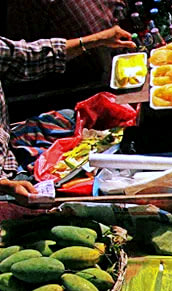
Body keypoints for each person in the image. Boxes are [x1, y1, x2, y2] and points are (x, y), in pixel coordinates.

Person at [0, 27, 135, 202]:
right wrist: (7, 185)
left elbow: (30, 55)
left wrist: (98, 39)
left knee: (76, 117)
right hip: (6, 179)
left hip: (9, 141)